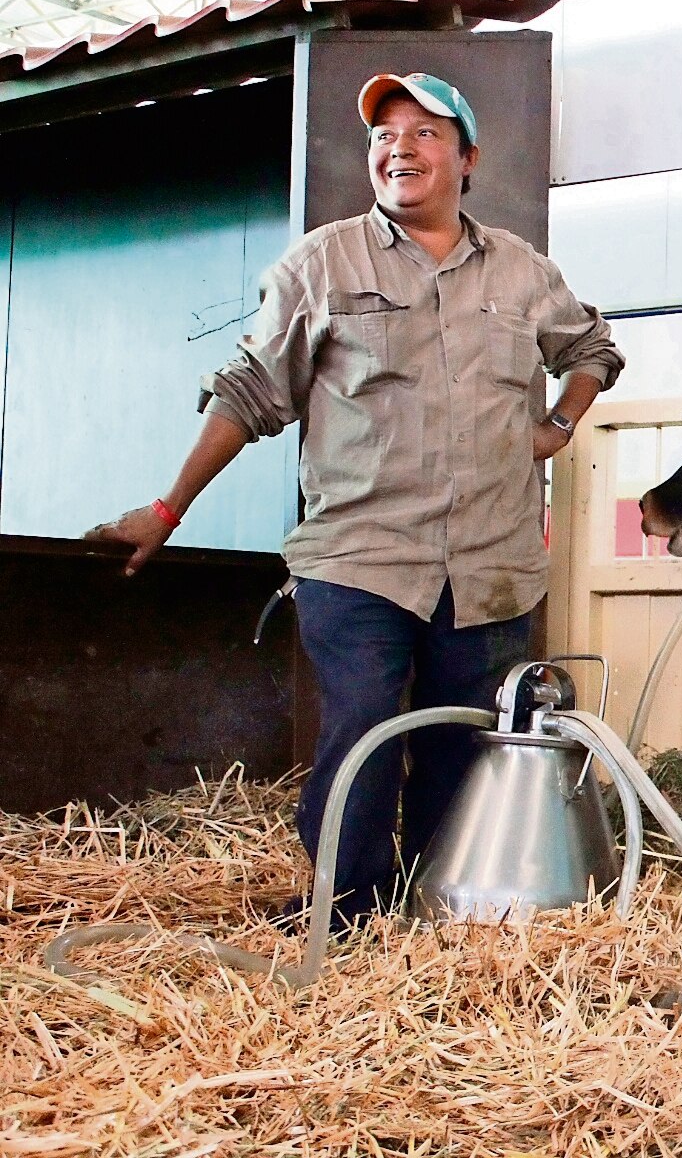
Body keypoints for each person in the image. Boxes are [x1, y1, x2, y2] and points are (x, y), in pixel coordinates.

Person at [85, 72, 625, 924]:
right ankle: (344, 912)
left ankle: (433, 909)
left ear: (468, 158)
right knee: (365, 729)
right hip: (360, 558)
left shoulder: (522, 271)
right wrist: (166, 510)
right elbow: (249, 392)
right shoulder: (323, 262)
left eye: (424, 132)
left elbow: (592, 348)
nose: (398, 148)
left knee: (461, 741)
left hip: (491, 564)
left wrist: (558, 422)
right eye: (383, 135)